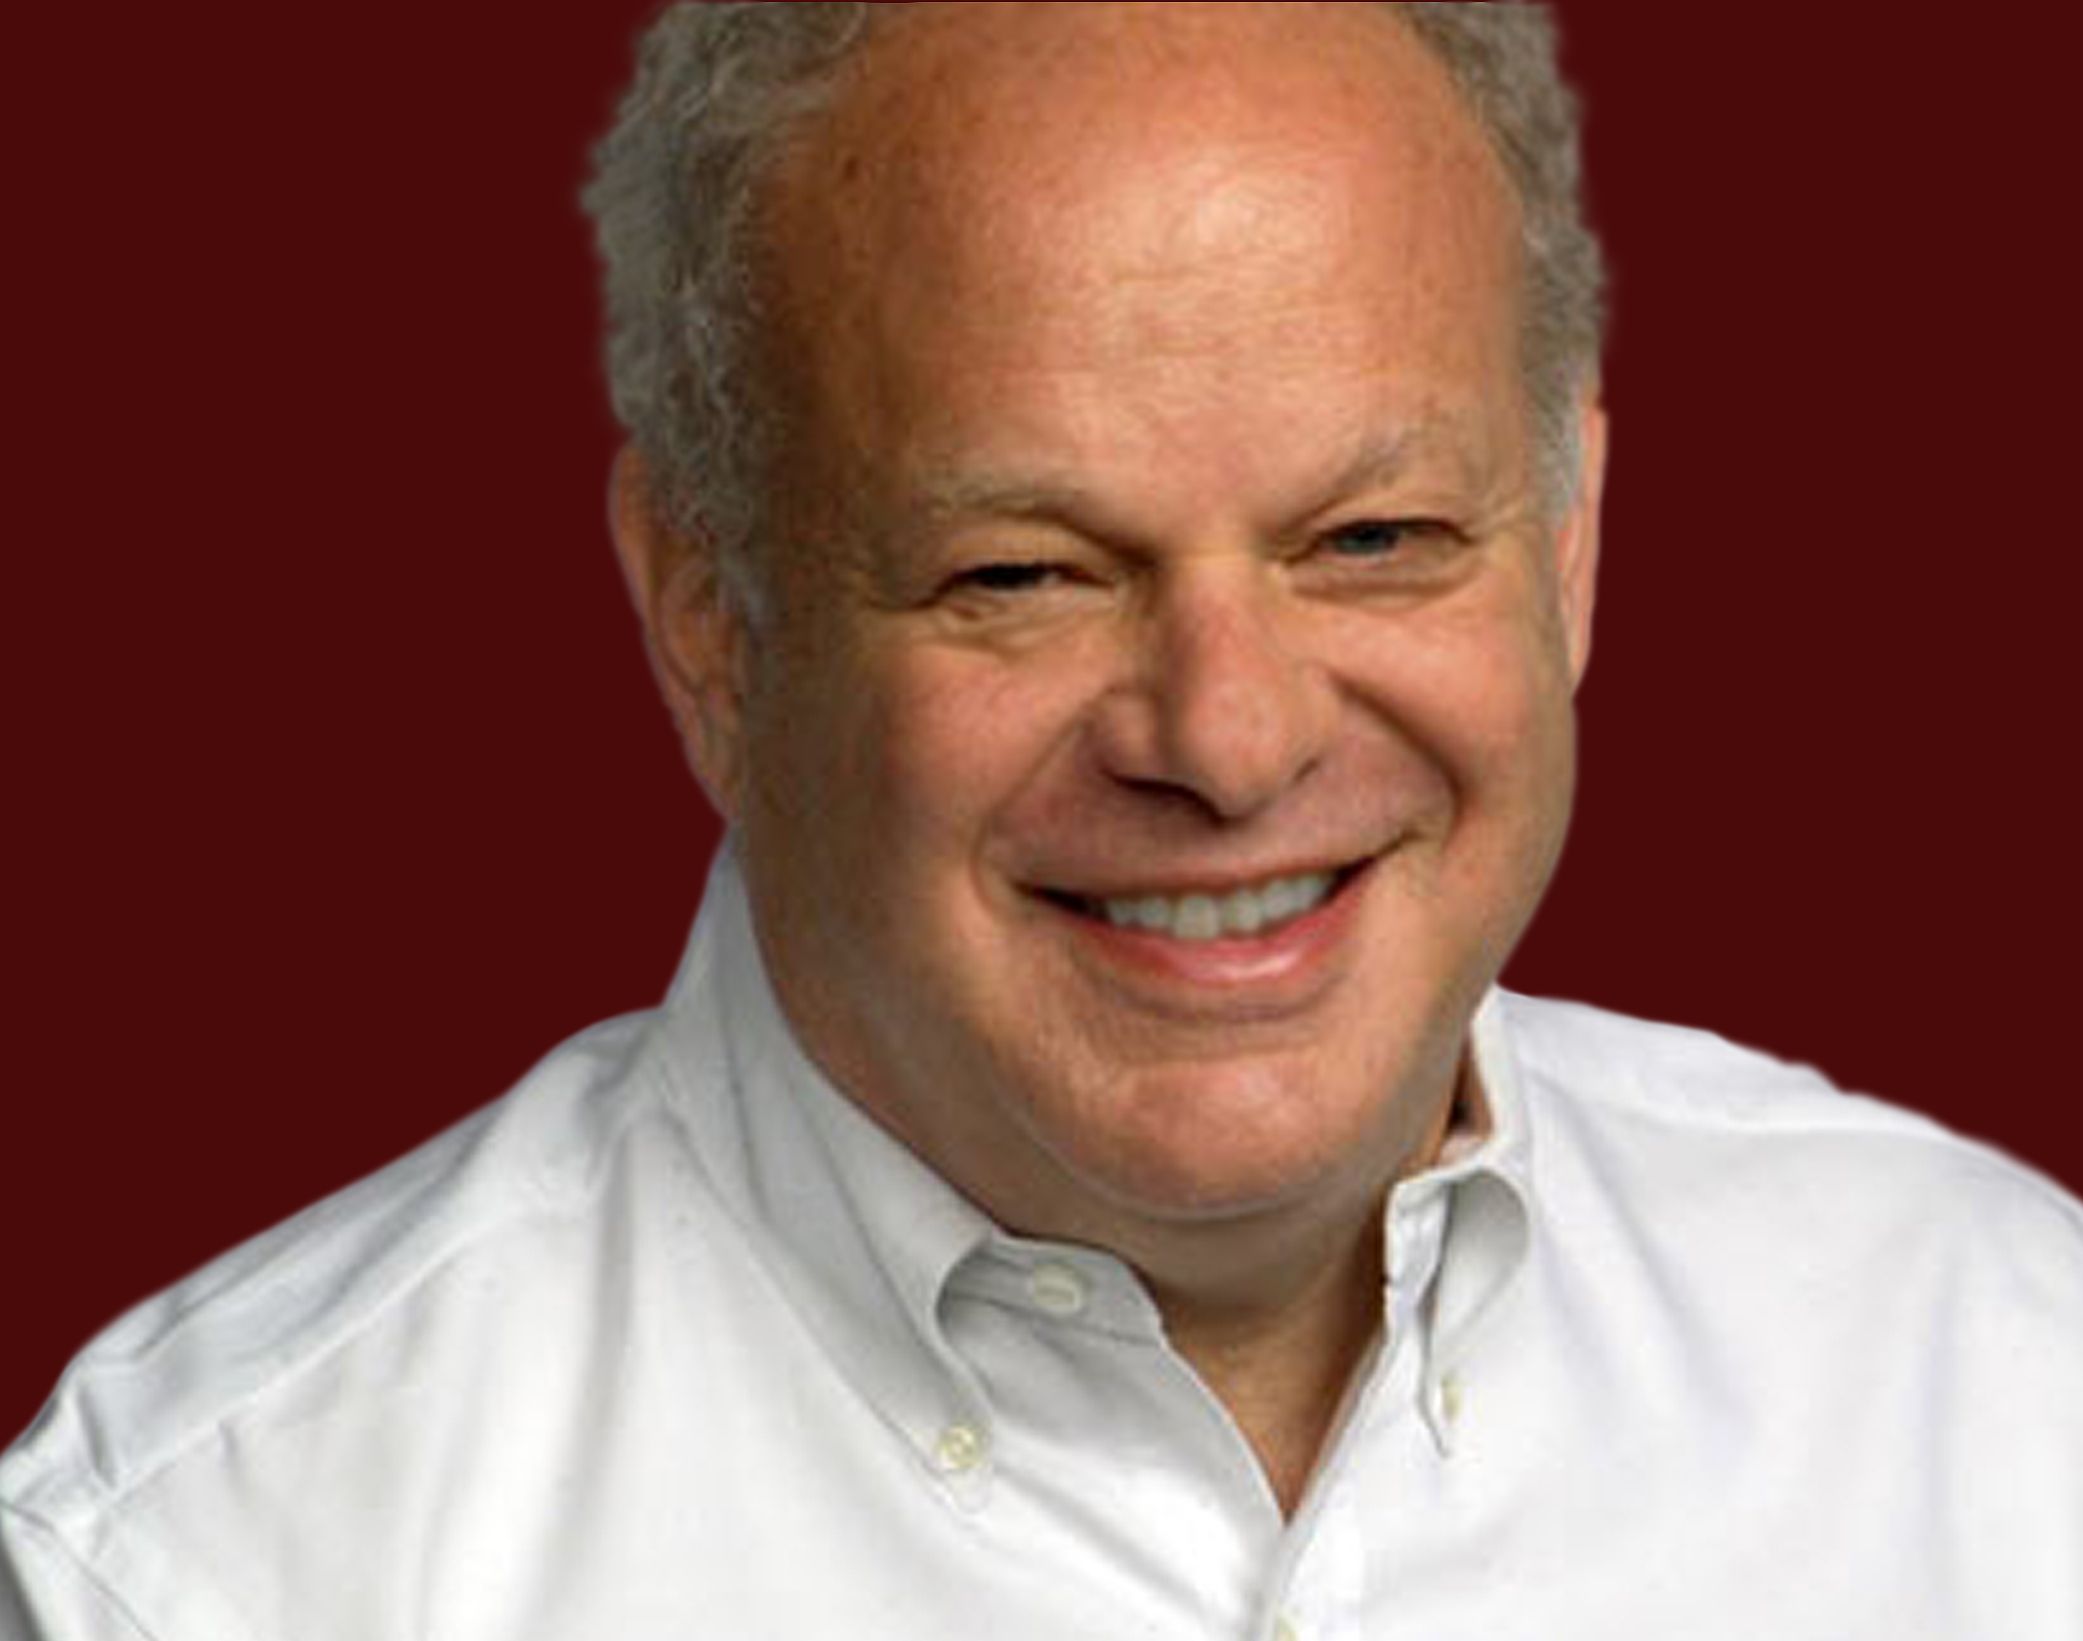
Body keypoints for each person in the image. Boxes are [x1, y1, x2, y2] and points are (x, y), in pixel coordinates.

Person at [4, 3, 2077, 1636]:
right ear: (711, 616)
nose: (1231, 741)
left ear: (1568, 547)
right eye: (1022, 571)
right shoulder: (202, 1569)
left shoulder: (2001, 1377)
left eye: (1371, 538)